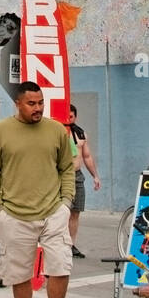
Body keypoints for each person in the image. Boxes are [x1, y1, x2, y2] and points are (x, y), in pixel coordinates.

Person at [0, 81, 76, 298]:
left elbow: (67, 169)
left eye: (40, 103)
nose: (37, 108)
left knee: (61, 267)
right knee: (19, 273)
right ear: (18, 104)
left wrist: (66, 204)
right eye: (31, 104)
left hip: (53, 213)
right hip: (13, 214)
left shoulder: (57, 130)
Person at [62, 104, 101, 258]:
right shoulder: (57, 132)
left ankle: (71, 245)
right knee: (61, 212)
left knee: (75, 212)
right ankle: (60, 244)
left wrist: (95, 176)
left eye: (71, 116)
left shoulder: (81, 134)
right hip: (60, 176)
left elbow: (87, 157)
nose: (69, 119)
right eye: (67, 116)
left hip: (77, 176)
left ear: (75, 116)